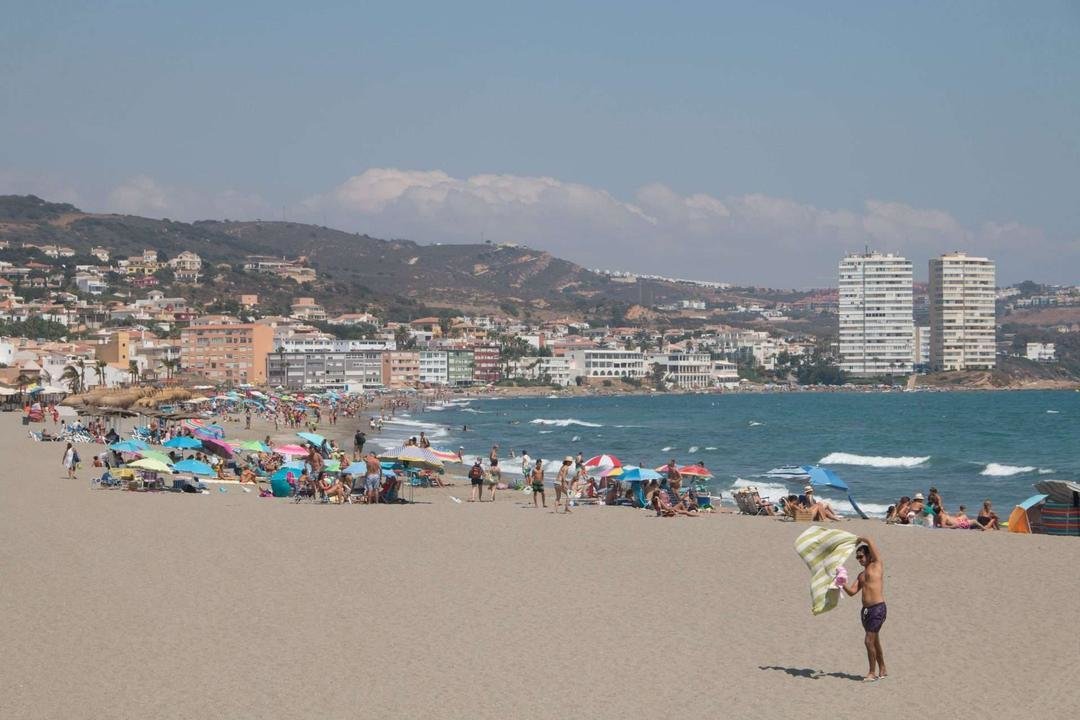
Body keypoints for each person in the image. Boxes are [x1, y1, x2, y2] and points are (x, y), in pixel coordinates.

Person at [842, 536, 888, 682]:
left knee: (868, 641)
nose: (859, 559)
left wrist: (861, 539)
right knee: (874, 641)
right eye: (857, 558)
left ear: (869, 556)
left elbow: (870, 541)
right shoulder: (861, 575)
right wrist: (841, 582)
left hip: (878, 609)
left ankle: (871, 673)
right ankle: (883, 668)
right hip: (866, 612)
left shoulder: (877, 565)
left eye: (861, 556)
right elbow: (851, 592)